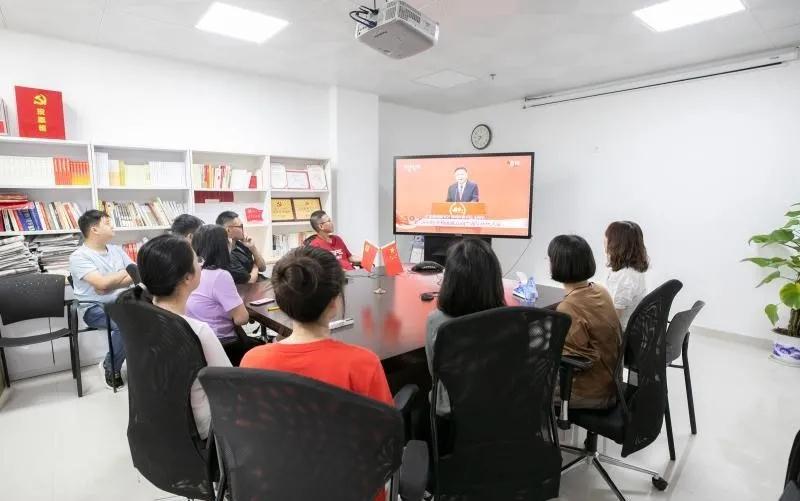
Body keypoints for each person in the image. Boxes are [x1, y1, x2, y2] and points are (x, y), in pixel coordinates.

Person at [241, 246, 393, 406]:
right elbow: (385, 428)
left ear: (280, 300)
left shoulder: (252, 360)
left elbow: (248, 425)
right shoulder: (364, 364)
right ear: (334, 301)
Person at [128, 234, 231, 439]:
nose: (200, 263)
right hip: (200, 427)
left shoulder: (138, 318)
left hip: (159, 422)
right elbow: (230, 384)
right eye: (197, 260)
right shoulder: (197, 331)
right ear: (187, 277)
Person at [425, 238, 505, 416]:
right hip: (503, 407)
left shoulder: (437, 321)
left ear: (450, 279)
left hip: (452, 412)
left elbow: (435, 374)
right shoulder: (511, 319)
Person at [548, 234, 621, 409]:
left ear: (557, 264)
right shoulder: (599, 290)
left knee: (522, 386)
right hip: (610, 382)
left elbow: (570, 359)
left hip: (590, 393)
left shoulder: (569, 307)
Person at [69, 210, 133, 389]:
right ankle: (110, 366)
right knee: (126, 324)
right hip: (95, 308)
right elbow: (102, 284)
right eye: (107, 223)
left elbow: (135, 275)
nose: (112, 226)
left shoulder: (117, 250)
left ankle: (143, 364)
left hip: (124, 302)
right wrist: (122, 274)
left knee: (156, 314)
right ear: (94, 229)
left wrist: (108, 284)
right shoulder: (79, 257)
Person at [186, 224, 256, 366]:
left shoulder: (190, 272)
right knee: (269, 347)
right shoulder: (219, 275)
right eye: (227, 240)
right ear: (222, 246)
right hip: (225, 346)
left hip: (198, 345)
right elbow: (242, 319)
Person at [605, 221, 649, 331]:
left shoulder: (625, 277)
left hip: (620, 334)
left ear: (616, 243)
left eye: (607, 236)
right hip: (631, 328)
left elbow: (612, 321)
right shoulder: (633, 271)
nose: (604, 239)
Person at [216, 211, 267, 284]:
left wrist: (253, 248)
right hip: (249, 290)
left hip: (260, 282)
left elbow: (262, 268)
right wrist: (255, 265)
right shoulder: (225, 254)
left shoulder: (241, 244)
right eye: (240, 226)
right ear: (228, 230)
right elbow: (250, 281)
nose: (243, 229)